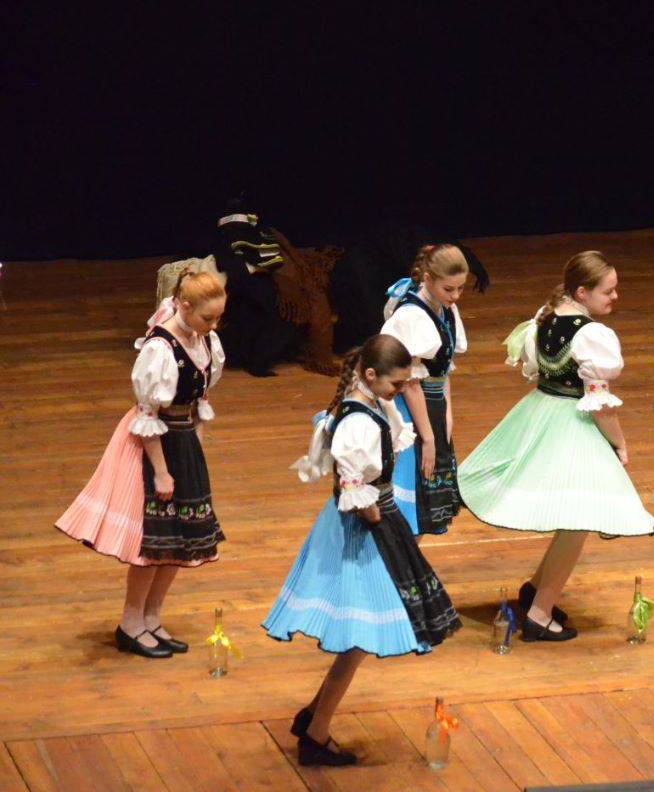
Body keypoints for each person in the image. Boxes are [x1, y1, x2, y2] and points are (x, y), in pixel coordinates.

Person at [262, 334, 461, 767]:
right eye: (396, 384)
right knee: (356, 637)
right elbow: (353, 486)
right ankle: (316, 734)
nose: (400, 390)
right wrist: (377, 516)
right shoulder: (358, 422)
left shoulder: (375, 405)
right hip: (363, 526)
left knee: (358, 637)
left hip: (375, 517)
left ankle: (314, 714)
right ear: (370, 375)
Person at [458, 251, 654, 642]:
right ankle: (539, 613)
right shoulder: (591, 335)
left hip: (541, 411)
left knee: (573, 513)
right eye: (608, 291)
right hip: (571, 423)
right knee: (579, 517)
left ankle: (536, 589)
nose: (615, 297)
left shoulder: (547, 317)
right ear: (582, 292)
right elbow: (599, 403)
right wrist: (619, 443)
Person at [56, 271, 227, 658]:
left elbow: (200, 404)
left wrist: (194, 455)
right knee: (155, 541)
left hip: (183, 443)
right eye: (207, 318)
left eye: (218, 318)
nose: (213, 326)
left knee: (182, 539)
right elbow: (147, 416)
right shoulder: (160, 348)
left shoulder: (205, 341)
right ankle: (130, 623)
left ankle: (152, 618)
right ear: (184, 306)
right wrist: (162, 472)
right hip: (154, 445)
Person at [380, 245, 469, 537]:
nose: (455, 296)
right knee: (409, 502)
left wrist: (447, 414)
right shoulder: (412, 316)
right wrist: (428, 437)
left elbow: (444, 369)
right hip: (410, 413)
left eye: (460, 288)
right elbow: (409, 383)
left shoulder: (446, 308)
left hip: (433, 407)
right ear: (428, 279)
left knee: (426, 505)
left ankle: (408, 562)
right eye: (449, 289)